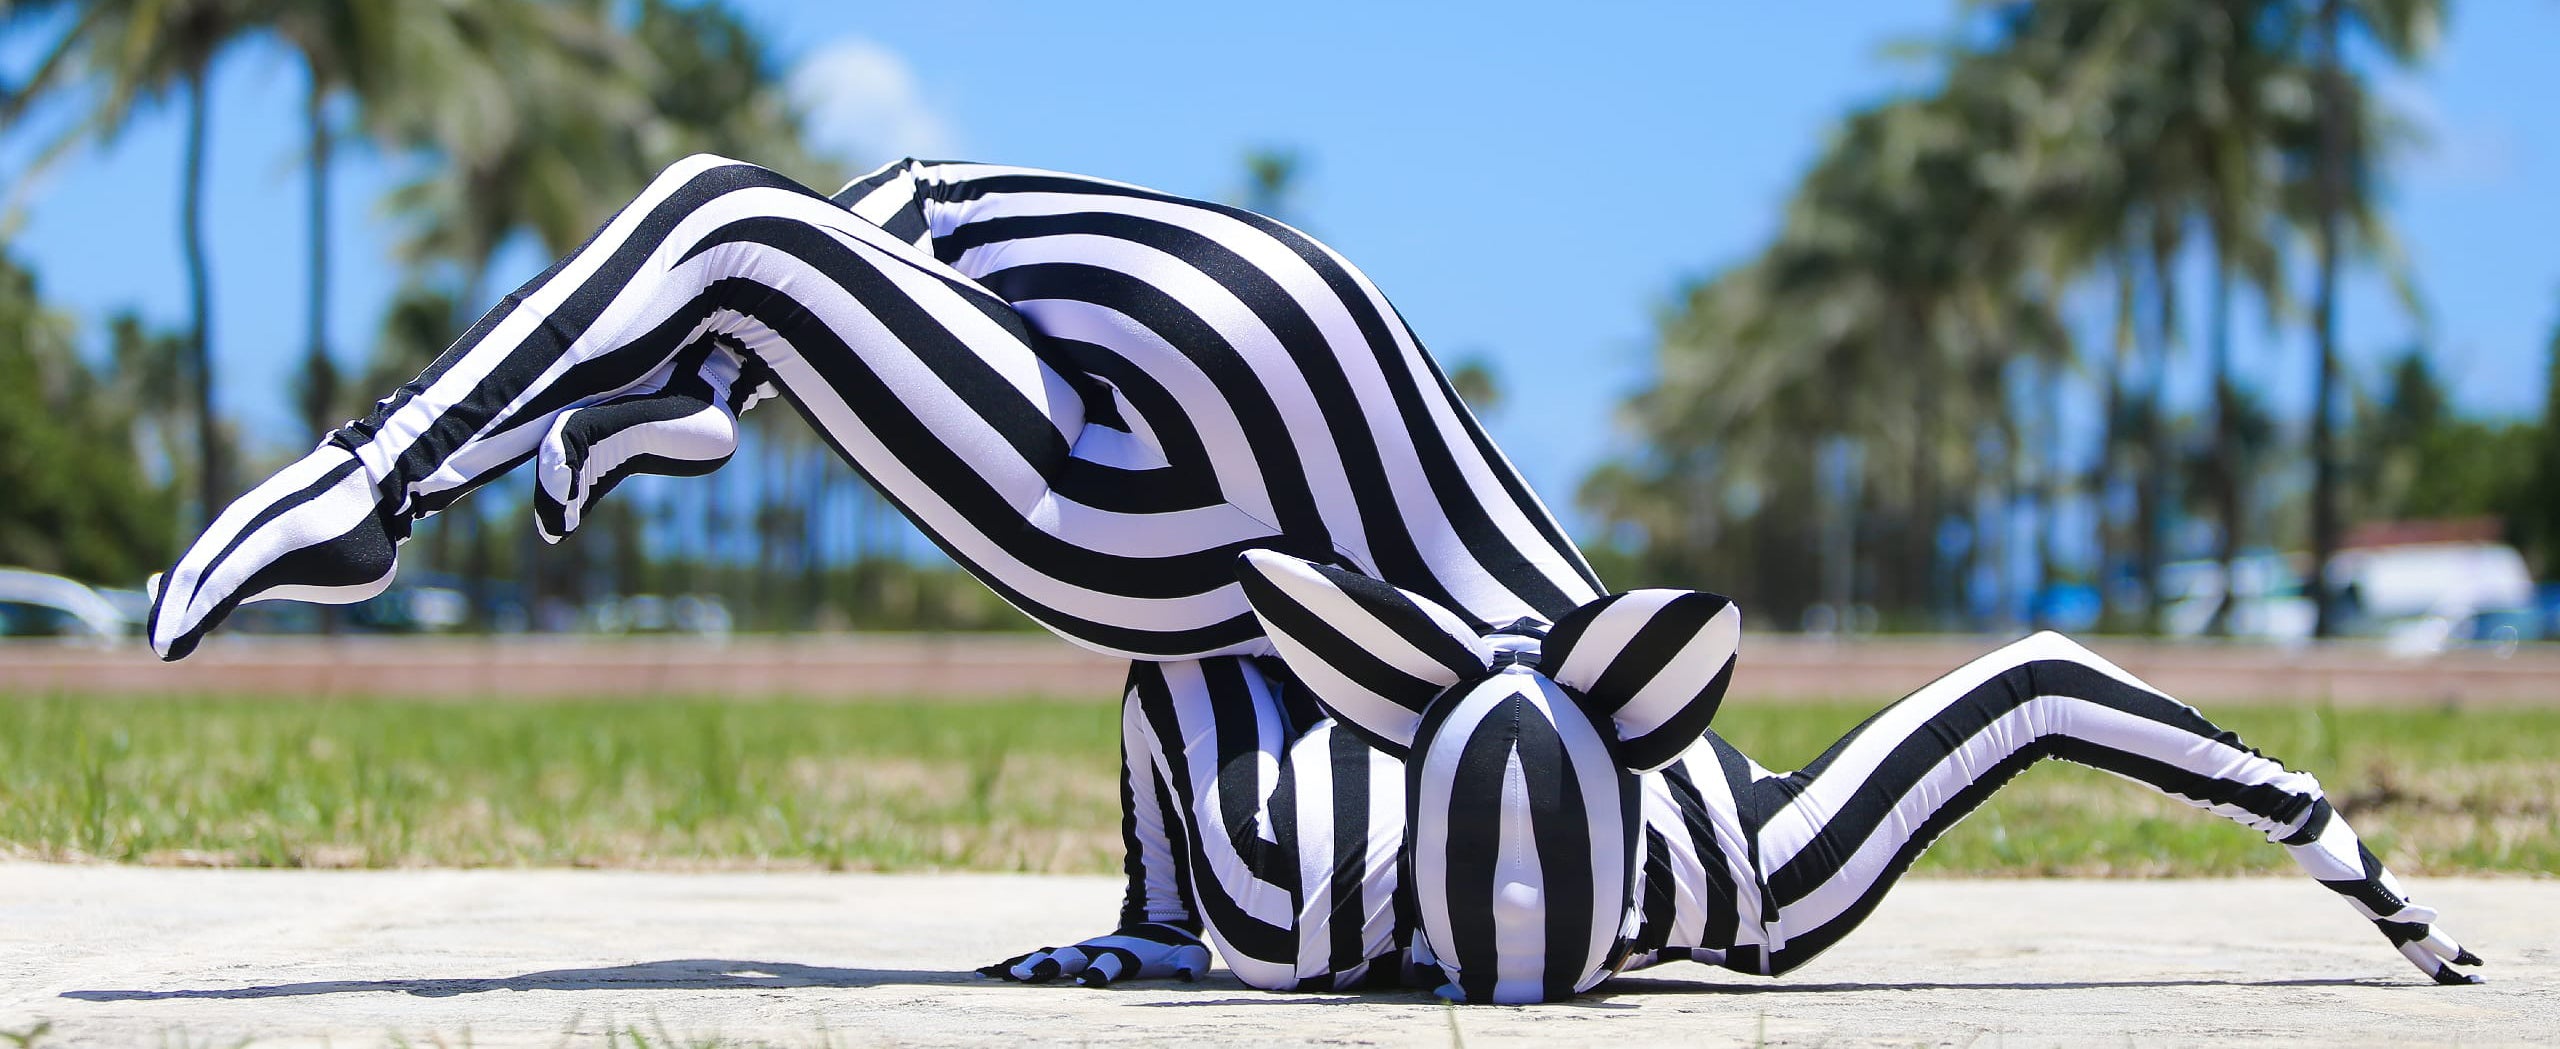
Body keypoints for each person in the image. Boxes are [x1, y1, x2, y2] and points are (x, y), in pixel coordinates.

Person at [145, 155, 2478, 1002]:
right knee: (833, 236)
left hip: (1159, 477)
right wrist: (2314, 831)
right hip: (1203, 357)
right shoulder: (1747, 875)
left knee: (747, 232)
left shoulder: (1291, 864)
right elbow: (2039, 684)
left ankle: (391, 475)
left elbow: (1181, 723)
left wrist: (1162, 930)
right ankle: (689, 399)